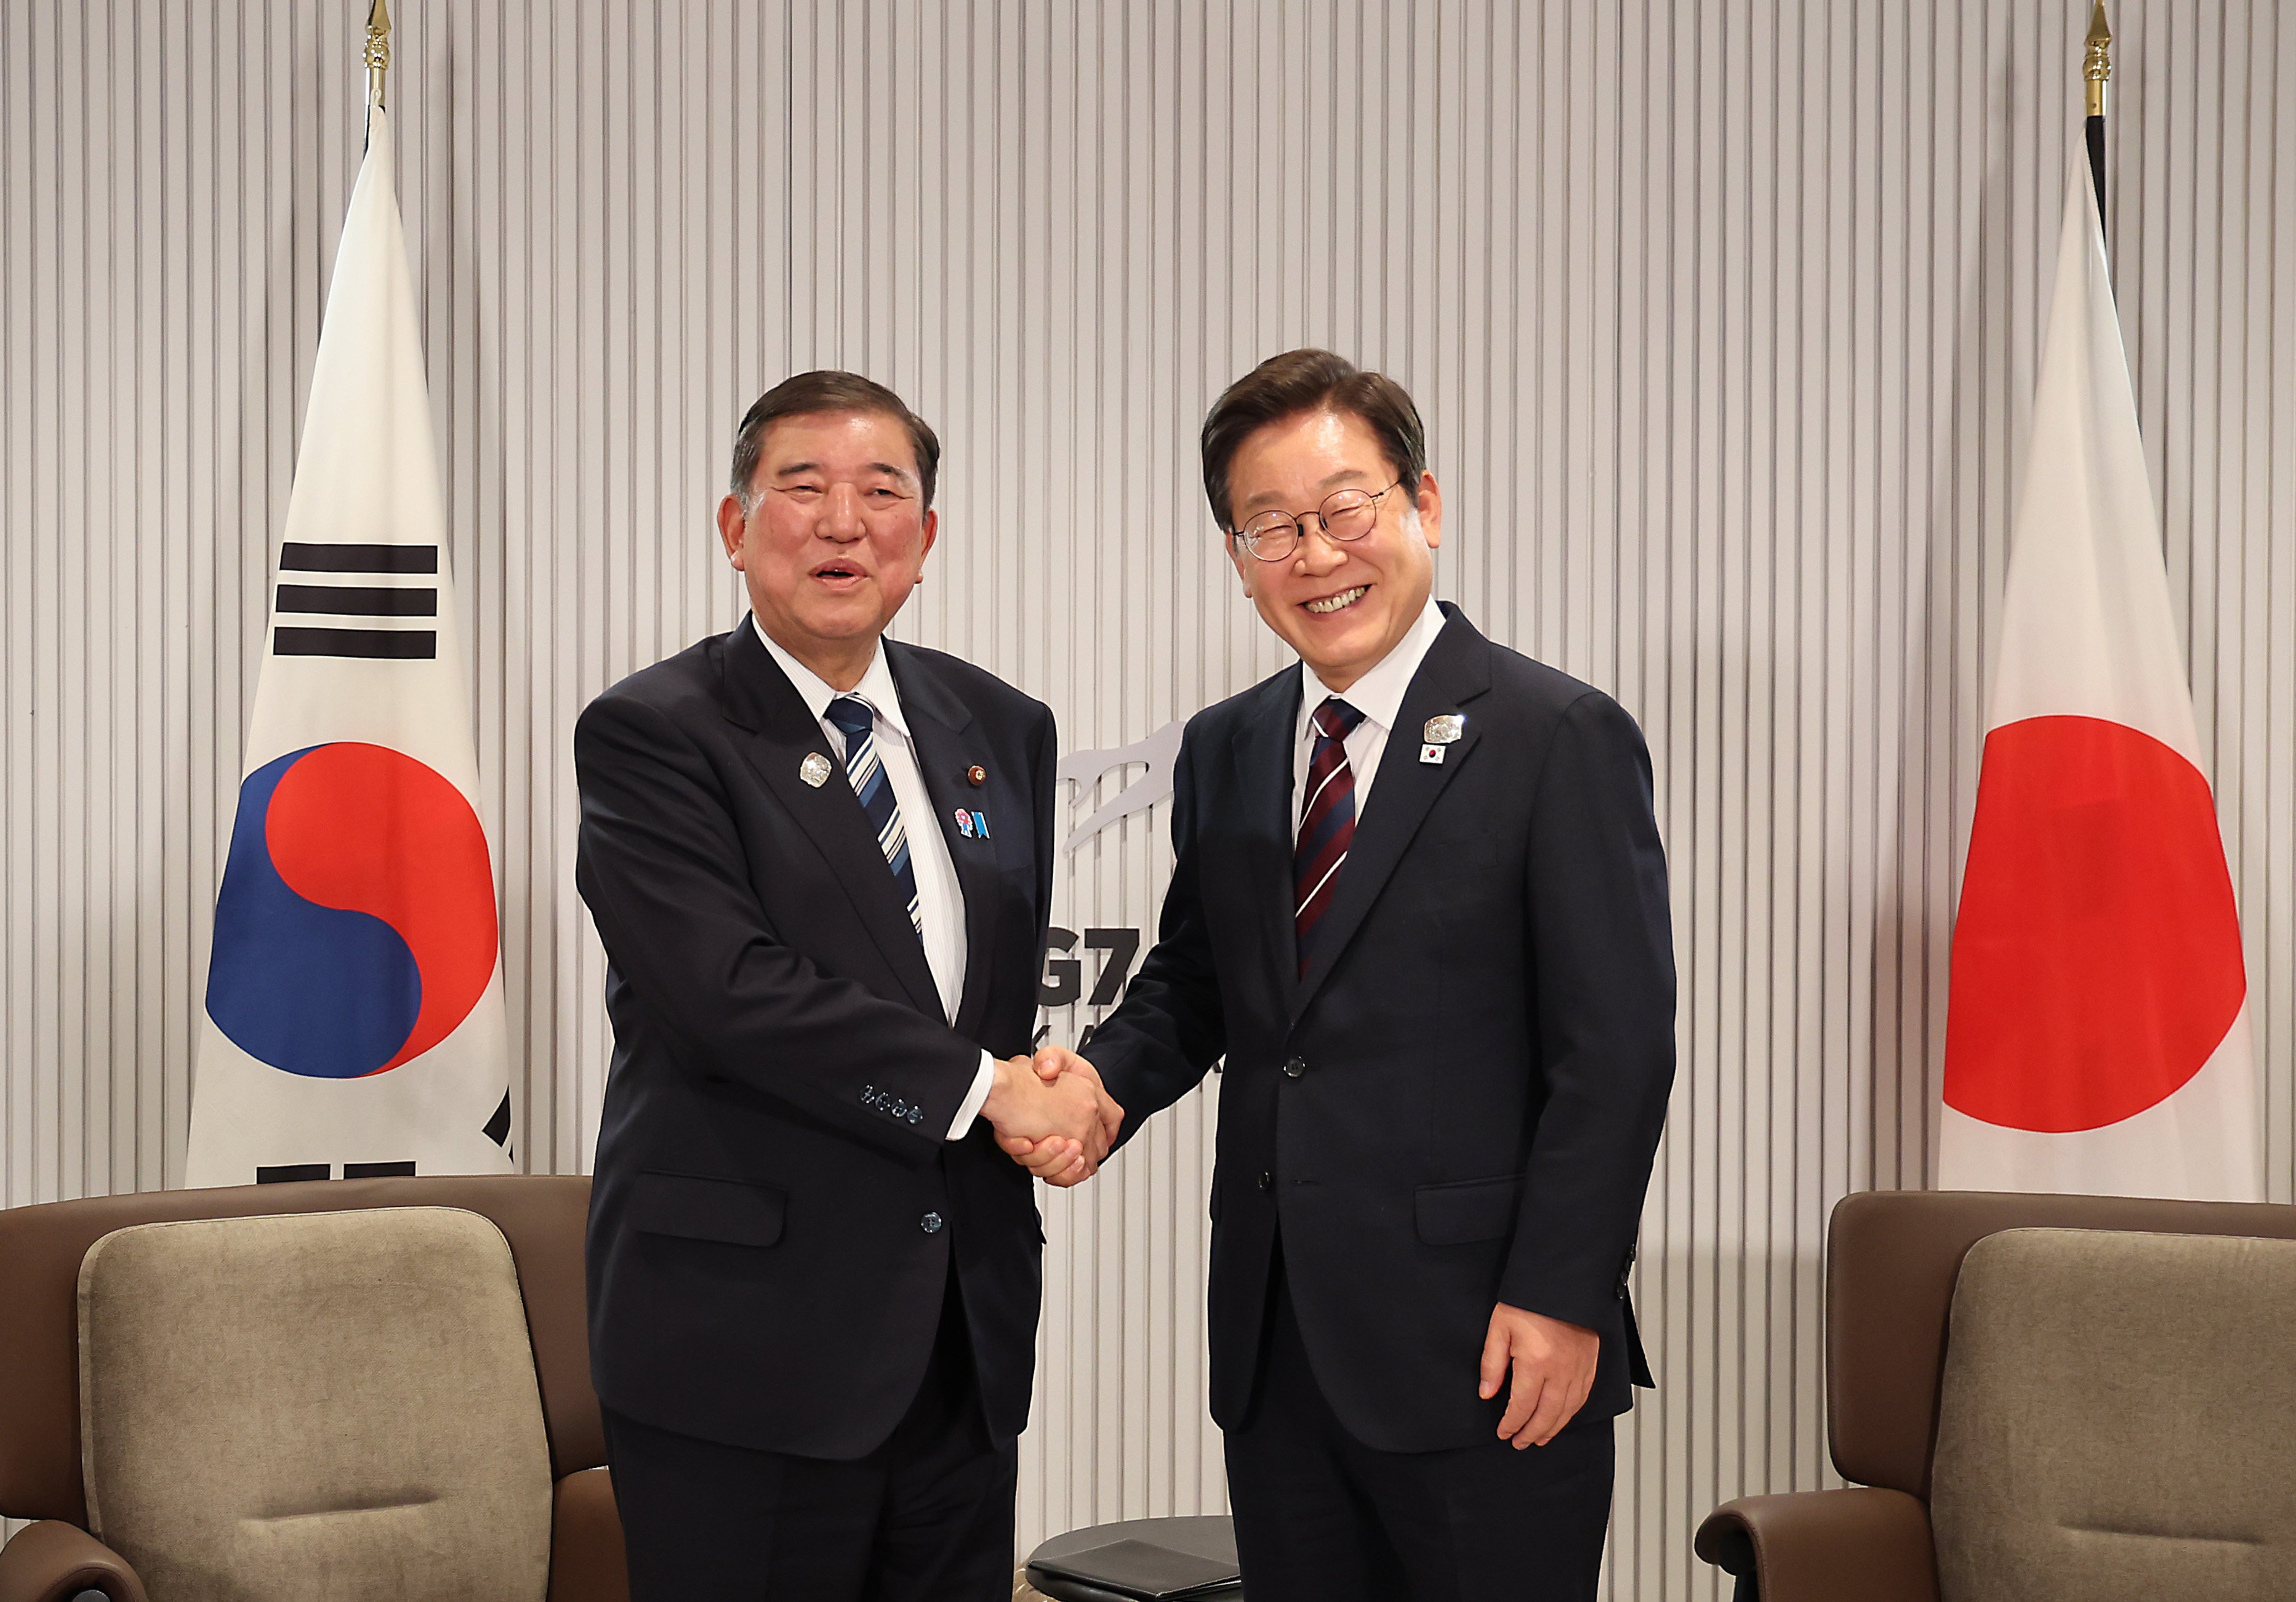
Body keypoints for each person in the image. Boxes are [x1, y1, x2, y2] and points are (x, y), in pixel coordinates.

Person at [1016, 350, 1675, 1601]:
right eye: (1270, 526)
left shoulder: (1553, 735)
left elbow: (1617, 1050)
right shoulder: (1227, 745)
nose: (1313, 554)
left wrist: (1559, 1290)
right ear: (1235, 552)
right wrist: (1097, 1084)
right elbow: (1198, 980)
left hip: (1490, 1342)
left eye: (1343, 510)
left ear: (1421, 504)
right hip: (1279, 1349)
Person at [574, 370, 1120, 1601]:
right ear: (734, 526)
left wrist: (1041, 1086)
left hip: (958, 1340)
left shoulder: (1000, 722)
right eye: (801, 487)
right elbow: (727, 992)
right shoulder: (655, 731)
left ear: (924, 538)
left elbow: (975, 996)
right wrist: (985, 1089)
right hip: (744, 1340)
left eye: (883, 493)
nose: (842, 522)